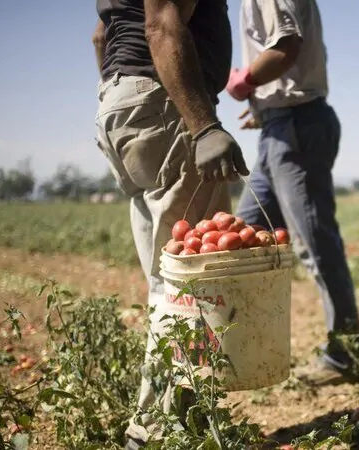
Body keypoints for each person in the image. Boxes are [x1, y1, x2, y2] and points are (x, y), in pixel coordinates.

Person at [91, 0, 249, 447]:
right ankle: (158, 433)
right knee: (192, 285)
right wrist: (203, 126)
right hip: (164, 103)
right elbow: (161, 24)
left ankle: (170, 422)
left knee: (168, 281)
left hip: (121, 103)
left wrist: (125, 97)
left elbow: (101, 37)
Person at [225, 0, 359, 386]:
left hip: (297, 126)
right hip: (281, 125)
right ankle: (240, 350)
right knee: (244, 239)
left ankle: (346, 355)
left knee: (315, 243)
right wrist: (266, 108)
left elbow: (286, 46)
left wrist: (245, 82)